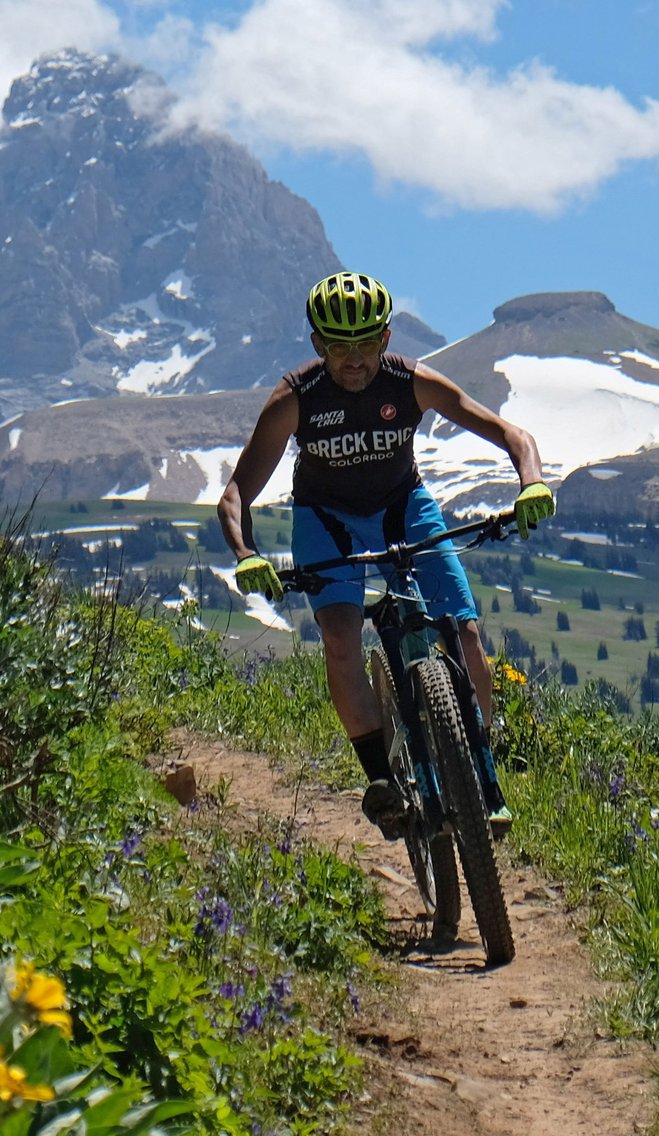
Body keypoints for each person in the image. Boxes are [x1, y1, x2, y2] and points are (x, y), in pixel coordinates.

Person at [216, 271, 554, 838]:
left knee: (465, 636)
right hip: (327, 520)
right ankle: (383, 782)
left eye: (367, 343)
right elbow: (236, 494)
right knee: (342, 639)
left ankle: (477, 776)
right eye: (339, 346)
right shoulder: (295, 399)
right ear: (318, 345)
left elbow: (511, 434)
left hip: (404, 505)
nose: (355, 359)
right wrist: (245, 552)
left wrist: (532, 482)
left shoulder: (409, 382)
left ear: (388, 338)